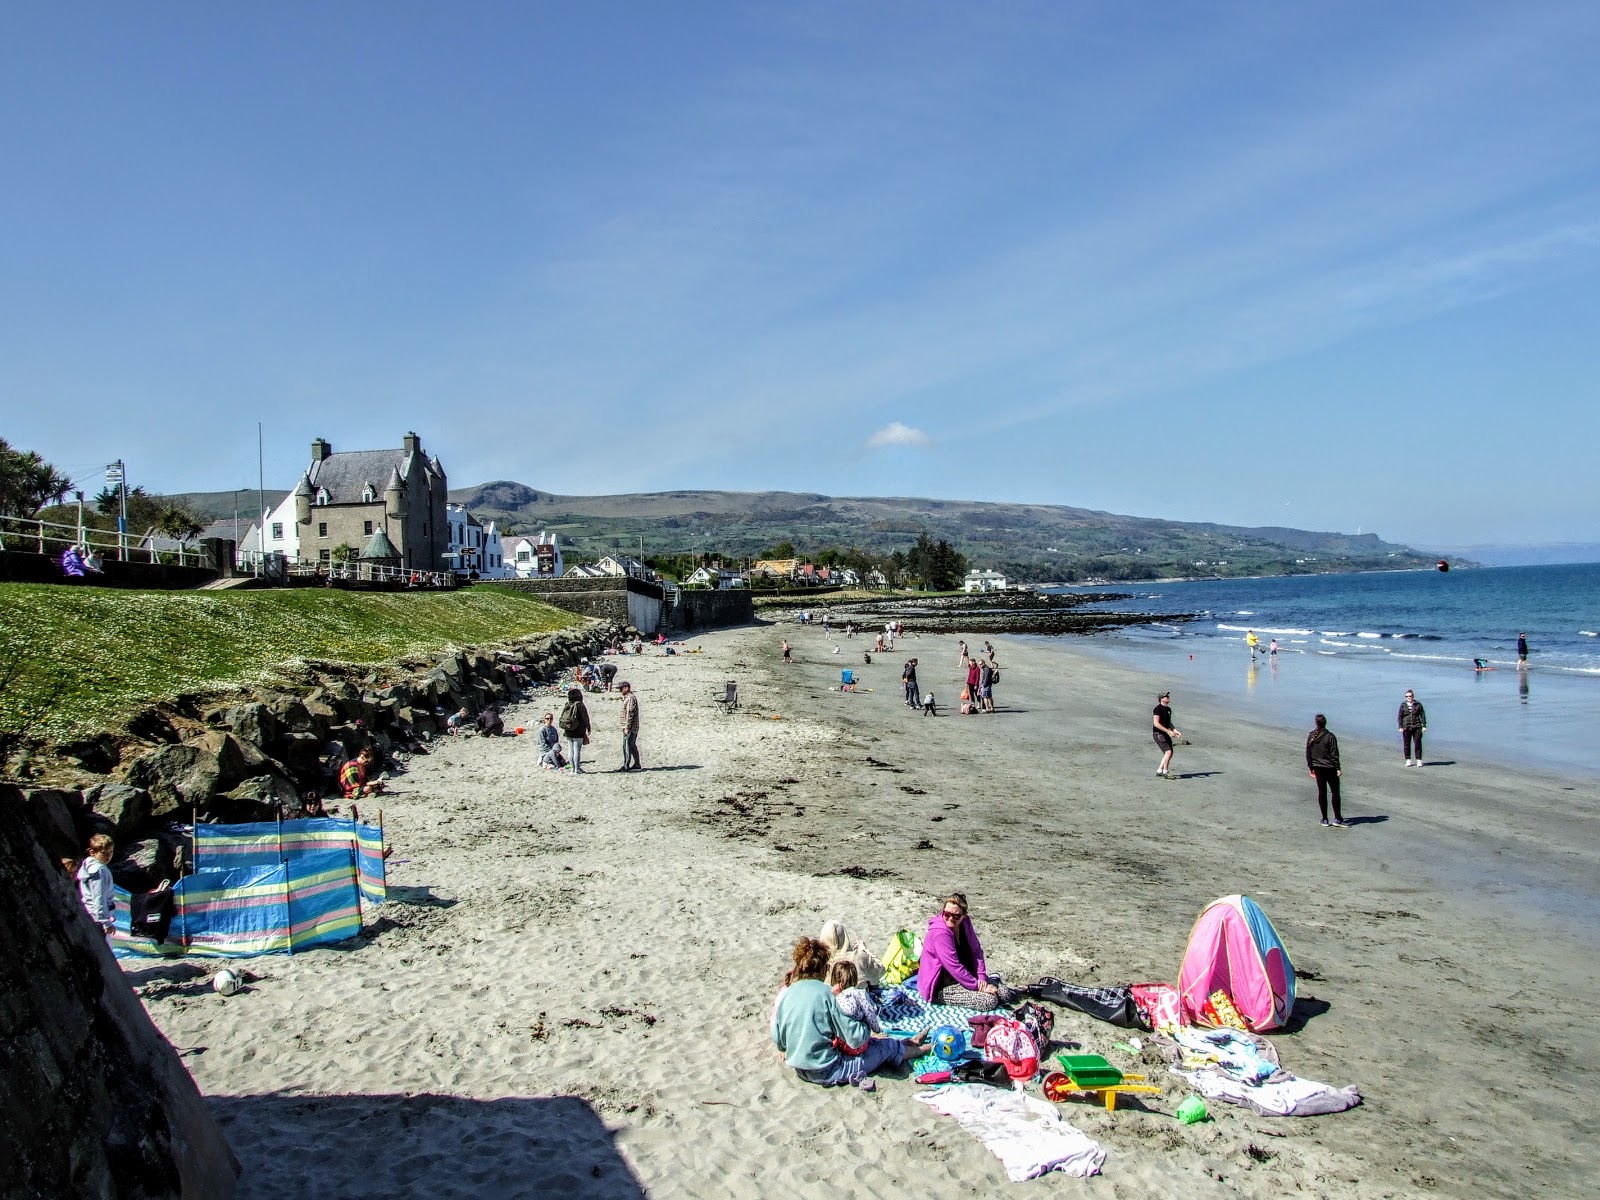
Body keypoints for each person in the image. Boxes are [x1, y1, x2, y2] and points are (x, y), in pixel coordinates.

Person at [771, 937, 924, 1088]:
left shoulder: (787, 993)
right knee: (887, 1048)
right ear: (824, 969)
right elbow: (856, 1039)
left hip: (799, 1068)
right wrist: (865, 1021)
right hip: (828, 1069)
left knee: (878, 1044)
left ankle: (907, 1045)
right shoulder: (828, 994)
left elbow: (777, 1036)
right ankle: (923, 1048)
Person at [917, 893, 1020, 1010]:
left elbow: (976, 951)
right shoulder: (940, 934)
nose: (950, 918)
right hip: (942, 985)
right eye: (947, 914)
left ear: (963, 916)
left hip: (966, 975)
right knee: (989, 1000)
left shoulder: (965, 923)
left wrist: (981, 977)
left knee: (1005, 994)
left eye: (956, 916)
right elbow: (953, 967)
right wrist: (977, 986)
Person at [1306, 714, 1346, 828]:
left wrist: (1311, 767)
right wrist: (1338, 768)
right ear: (1325, 723)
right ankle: (1337, 818)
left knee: (1322, 792)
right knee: (1335, 792)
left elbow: (1308, 753)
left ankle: (1324, 819)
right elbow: (1334, 754)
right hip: (1330, 768)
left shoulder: (1311, 735)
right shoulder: (1330, 736)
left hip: (1318, 768)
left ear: (1316, 723)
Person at [77, 834, 116, 937]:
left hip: (89, 913)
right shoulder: (99, 871)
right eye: (104, 853)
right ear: (92, 852)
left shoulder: (87, 865)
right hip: (98, 919)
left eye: (111, 852)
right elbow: (99, 897)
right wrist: (106, 922)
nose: (108, 856)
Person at [828, 960, 882, 1032]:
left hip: (847, 1035)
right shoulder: (859, 994)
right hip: (857, 1036)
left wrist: (838, 995)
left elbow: (849, 1010)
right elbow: (870, 1013)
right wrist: (877, 1029)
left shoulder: (834, 995)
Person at [558, 687, 591, 773]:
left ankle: (572, 769)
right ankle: (577, 769)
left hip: (568, 729)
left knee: (570, 750)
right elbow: (585, 718)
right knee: (577, 750)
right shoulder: (580, 705)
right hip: (579, 730)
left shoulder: (568, 704)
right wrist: (588, 727)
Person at [1152, 691, 1180, 778]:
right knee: (1168, 752)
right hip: (1158, 733)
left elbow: (1168, 722)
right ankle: (1165, 772)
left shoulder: (1168, 709)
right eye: (1166, 696)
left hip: (1165, 733)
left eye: (1168, 696)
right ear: (1161, 699)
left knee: (1169, 753)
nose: (1168, 697)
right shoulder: (1157, 709)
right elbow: (1156, 723)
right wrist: (1168, 731)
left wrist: (1175, 730)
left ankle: (1159, 770)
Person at [1398, 689, 1427, 766]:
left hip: (1417, 726)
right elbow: (1400, 716)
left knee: (1418, 743)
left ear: (1413, 696)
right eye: (1407, 696)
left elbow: (1422, 715)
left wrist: (1424, 726)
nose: (1408, 697)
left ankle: (1419, 760)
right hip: (1406, 727)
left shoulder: (1418, 704)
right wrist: (1400, 726)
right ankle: (1408, 760)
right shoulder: (1403, 705)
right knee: (1406, 744)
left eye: (1410, 696)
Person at [619, 681, 642, 771]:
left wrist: (627, 727)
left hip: (631, 727)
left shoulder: (630, 698)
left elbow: (630, 713)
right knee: (632, 745)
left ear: (626, 688)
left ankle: (626, 765)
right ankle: (636, 764)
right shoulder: (628, 698)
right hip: (631, 727)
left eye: (621, 688)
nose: (620, 690)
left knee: (627, 746)